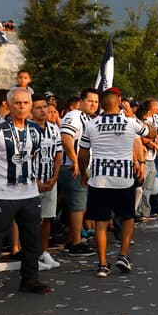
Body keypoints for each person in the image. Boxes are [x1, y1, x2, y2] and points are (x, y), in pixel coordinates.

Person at [0, 87, 50, 299]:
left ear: (30, 105)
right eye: (17, 103)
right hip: (3, 194)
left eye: (25, 103)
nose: (21, 107)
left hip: (29, 193)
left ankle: (30, 280)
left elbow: (33, 156)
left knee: (32, 239)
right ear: (8, 105)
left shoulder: (35, 130)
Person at [78, 87, 155, 278]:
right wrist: (135, 118)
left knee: (101, 222)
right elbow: (151, 133)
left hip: (99, 180)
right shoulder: (130, 123)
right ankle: (123, 255)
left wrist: (83, 173)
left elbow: (83, 153)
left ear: (101, 105)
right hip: (123, 179)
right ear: (119, 103)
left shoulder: (92, 124)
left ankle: (103, 264)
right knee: (128, 218)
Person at [59, 88, 99, 257]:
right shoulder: (74, 116)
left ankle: (72, 238)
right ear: (80, 101)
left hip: (83, 167)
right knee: (77, 205)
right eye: (90, 101)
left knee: (80, 205)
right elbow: (66, 137)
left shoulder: (89, 118)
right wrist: (75, 161)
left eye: (96, 102)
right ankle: (75, 243)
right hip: (71, 168)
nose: (94, 105)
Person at [31, 93, 62, 270]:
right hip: (31, 182)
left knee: (47, 218)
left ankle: (44, 252)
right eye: (39, 107)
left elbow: (58, 154)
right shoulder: (28, 128)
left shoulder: (53, 128)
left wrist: (55, 176)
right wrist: (35, 180)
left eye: (45, 107)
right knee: (29, 219)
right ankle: (29, 252)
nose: (43, 111)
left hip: (50, 179)